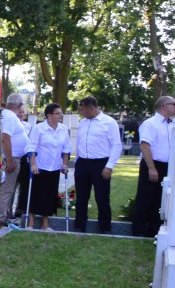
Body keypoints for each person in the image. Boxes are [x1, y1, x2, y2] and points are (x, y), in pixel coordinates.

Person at [73, 96, 122, 233]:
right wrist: (77, 162)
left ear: (91, 108)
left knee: (101, 197)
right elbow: (79, 143)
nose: (81, 112)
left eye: (83, 110)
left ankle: (105, 228)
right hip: (83, 163)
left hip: (100, 163)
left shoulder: (108, 122)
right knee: (81, 197)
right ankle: (80, 225)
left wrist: (109, 166)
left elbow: (116, 145)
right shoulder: (82, 122)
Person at [131, 96, 175, 237]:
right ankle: (138, 231)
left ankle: (154, 230)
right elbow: (145, 146)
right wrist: (151, 167)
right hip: (152, 164)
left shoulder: (171, 124)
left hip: (167, 166)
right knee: (145, 197)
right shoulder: (150, 123)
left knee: (160, 200)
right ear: (165, 106)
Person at [27, 103, 70, 230]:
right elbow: (31, 147)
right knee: (35, 194)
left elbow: (66, 149)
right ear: (49, 115)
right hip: (40, 166)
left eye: (61, 113)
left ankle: (45, 223)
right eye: (58, 113)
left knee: (50, 195)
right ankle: (31, 222)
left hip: (55, 167)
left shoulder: (63, 129)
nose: (60, 116)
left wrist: (65, 164)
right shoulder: (39, 128)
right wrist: (33, 165)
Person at [0, 93, 29, 229]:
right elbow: (5, 138)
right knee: (6, 190)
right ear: (19, 105)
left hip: (11, 156)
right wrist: (10, 160)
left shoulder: (7, 115)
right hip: (10, 157)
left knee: (9, 189)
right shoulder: (9, 117)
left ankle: (4, 216)